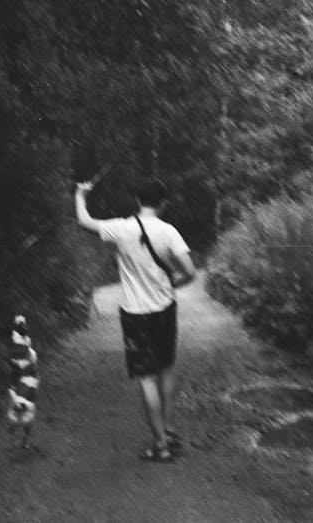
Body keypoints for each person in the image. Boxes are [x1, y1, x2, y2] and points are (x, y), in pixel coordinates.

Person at [74, 177, 197, 463]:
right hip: (164, 309)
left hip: (134, 313)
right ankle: (168, 427)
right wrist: (172, 286)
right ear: (163, 203)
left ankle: (161, 445)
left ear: (138, 200)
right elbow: (190, 272)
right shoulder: (169, 231)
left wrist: (81, 195)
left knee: (146, 377)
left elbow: (84, 221)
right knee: (166, 368)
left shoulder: (122, 228)